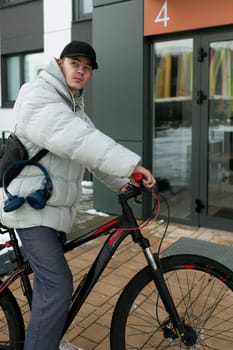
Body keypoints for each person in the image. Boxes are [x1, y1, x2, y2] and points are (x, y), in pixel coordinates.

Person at [0, 41, 156, 350]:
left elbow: (88, 152)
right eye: (75, 63)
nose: (81, 70)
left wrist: (123, 181)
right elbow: (79, 140)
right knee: (58, 286)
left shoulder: (73, 109)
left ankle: (46, 339)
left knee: (49, 290)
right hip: (30, 211)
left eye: (87, 67)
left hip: (49, 212)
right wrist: (131, 165)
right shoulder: (39, 96)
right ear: (60, 63)